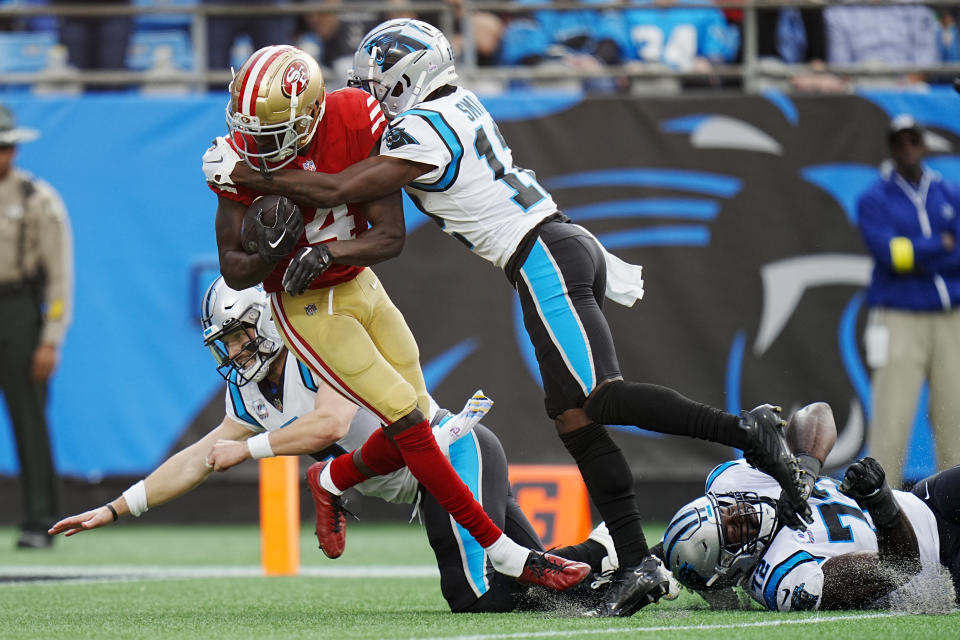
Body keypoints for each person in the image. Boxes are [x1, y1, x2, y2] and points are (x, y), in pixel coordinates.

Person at [201, 19, 808, 617]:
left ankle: (745, 431)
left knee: (600, 400)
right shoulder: (455, 104)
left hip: (542, 255)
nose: (371, 93)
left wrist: (247, 175)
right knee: (572, 417)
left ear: (408, 77)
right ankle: (634, 561)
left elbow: (335, 191)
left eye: (378, 81)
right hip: (555, 247)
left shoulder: (421, 130)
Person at [201, 45, 588, 593]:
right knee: (408, 423)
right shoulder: (234, 156)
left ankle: (331, 476)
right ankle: (510, 555)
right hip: (305, 304)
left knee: (425, 424)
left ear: (311, 113)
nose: (257, 147)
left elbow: (388, 236)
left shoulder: (355, 117)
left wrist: (327, 251)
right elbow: (234, 269)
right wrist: (274, 253)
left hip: (359, 283)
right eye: (249, 132)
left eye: (271, 133)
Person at [49, 278, 599, 612]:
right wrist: (117, 507)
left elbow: (331, 425)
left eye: (239, 335)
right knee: (546, 579)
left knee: (473, 594)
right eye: (227, 341)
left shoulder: (317, 347)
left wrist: (252, 449)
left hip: (454, 452)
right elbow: (198, 456)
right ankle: (613, 560)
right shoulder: (249, 390)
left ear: (264, 321)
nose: (234, 350)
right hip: (417, 479)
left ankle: (602, 555)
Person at [662, 402, 959, 611]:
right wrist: (878, 501)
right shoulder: (784, 579)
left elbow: (817, 412)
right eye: (733, 529)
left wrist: (804, 472)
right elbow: (899, 567)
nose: (738, 512)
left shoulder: (732, 482)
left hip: (926, 503)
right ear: (728, 570)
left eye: (724, 509)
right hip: (942, 565)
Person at [857, 114, 960, 491]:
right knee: (892, 417)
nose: (907, 149)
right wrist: (939, 245)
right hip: (899, 317)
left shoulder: (949, 192)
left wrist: (915, 252)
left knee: (955, 419)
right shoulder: (874, 198)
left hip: (951, 318)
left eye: (913, 141)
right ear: (892, 148)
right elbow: (889, 255)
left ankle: (955, 510)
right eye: (900, 143)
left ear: (924, 145)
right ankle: (879, 507)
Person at [0, 103, 73, 549]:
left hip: (19, 309)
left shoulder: (36, 199)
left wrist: (51, 336)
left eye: (7, 147)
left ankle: (40, 518)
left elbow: (60, 274)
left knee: (29, 417)